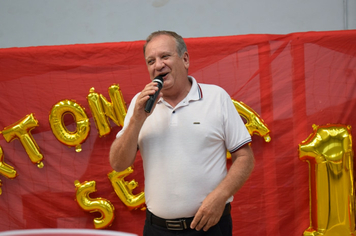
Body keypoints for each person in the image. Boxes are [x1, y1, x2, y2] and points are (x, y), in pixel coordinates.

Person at [109, 30, 255, 236]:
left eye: (165, 56)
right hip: (157, 229)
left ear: (185, 59)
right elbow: (118, 163)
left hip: (209, 227)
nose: (158, 65)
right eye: (151, 61)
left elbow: (244, 157)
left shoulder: (216, 97)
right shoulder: (139, 104)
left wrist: (220, 196)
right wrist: (137, 119)